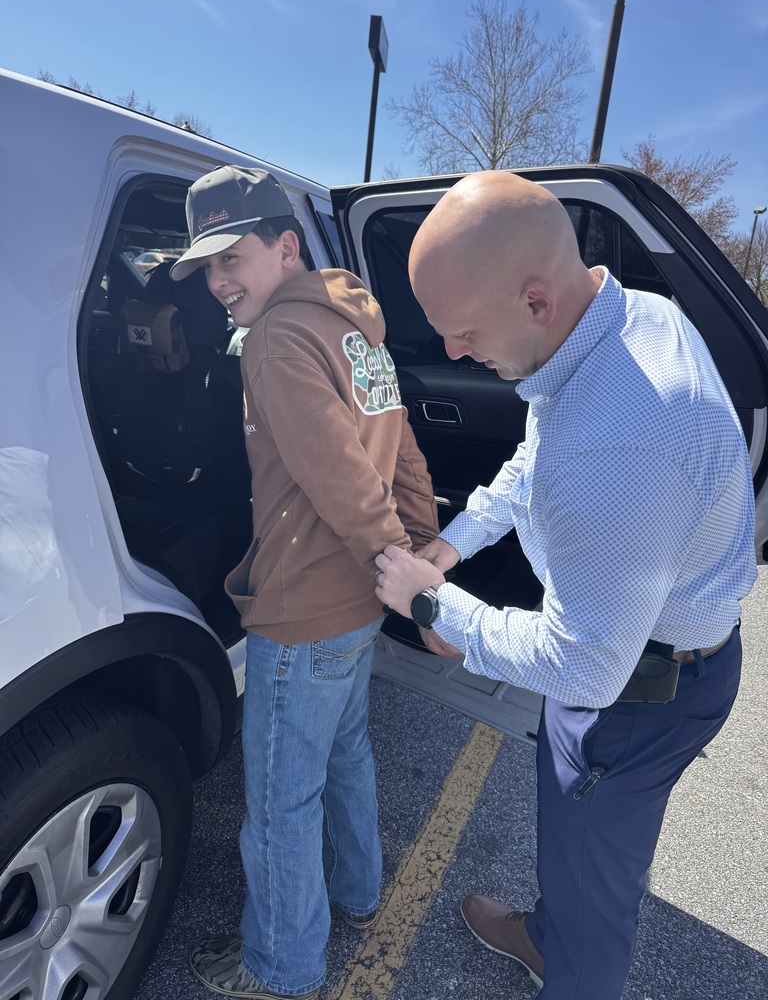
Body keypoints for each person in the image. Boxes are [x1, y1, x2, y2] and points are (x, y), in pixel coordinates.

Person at [373, 170, 757, 1000]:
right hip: (646, 658)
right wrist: (451, 543)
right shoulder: (621, 320)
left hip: (640, 695)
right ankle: (549, 932)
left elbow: (587, 668)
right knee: (575, 838)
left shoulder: (621, 447)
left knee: (597, 903)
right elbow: (536, 456)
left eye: (463, 332)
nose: (450, 354)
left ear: (536, 301)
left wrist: (436, 607)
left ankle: (570, 958)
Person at [169, 166, 439, 1000]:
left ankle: (280, 968)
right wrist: (417, 551)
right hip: (356, 607)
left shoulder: (279, 341)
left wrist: (415, 582)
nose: (217, 281)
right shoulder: (356, 329)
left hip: (305, 606)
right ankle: (359, 893)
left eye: (232, 258)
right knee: (347, 751)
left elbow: (340, 482)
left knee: (283, 804)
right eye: (204, 267)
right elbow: (404, 454)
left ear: (285, 247)